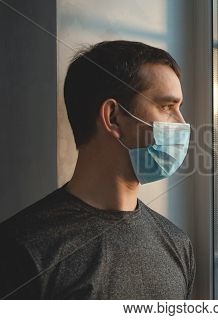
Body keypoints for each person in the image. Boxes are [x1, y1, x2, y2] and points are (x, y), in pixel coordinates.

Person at [0, 40, 195, 299]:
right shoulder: (21, 250)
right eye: (166, 107)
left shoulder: (177, 243)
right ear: (113, 117)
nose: (182, 124)